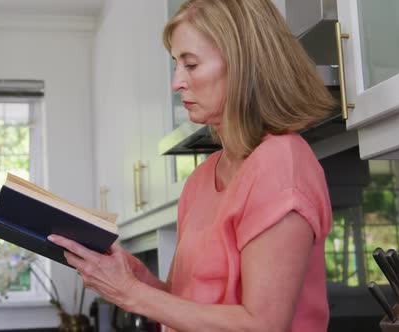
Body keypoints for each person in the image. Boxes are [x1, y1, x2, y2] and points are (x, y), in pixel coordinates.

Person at [48, 0, 336, 331]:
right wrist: (136, 278)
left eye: (191, 65)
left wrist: (131, 293)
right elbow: (184, 305)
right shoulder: (201, 179)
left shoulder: (281, 163)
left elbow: (264, 325)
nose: (176, 83)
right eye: (176, 65)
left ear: (244, 65)